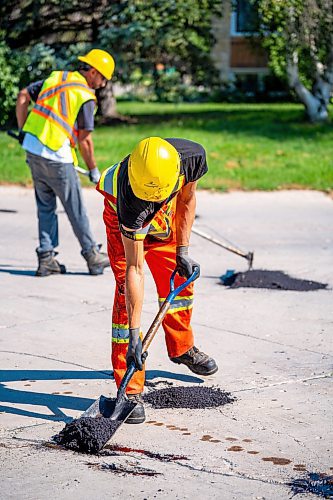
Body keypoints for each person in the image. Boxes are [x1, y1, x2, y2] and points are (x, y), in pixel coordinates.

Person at [97, 137, 218, 424]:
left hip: (164, 219)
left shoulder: (191, 158)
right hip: (124, 224)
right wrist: (135, 333)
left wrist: (183, 250)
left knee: (180, 282)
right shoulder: (131, 200)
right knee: (127, 300)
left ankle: (182, 347)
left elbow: (187, 199)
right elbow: (135, 268)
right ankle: (131, 389)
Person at [16, 49, 115, 276]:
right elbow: (85, 141)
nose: (102, 84)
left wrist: (23, 132)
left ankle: (46, 258)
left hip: (33, 149)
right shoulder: (85, 96)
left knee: (45, 205)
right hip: (56, 155)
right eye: (102, 78)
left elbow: (23, 96)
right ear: (92, 71)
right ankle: (92, 255)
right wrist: (93, 170)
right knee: (75, 207)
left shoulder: (56, 78)